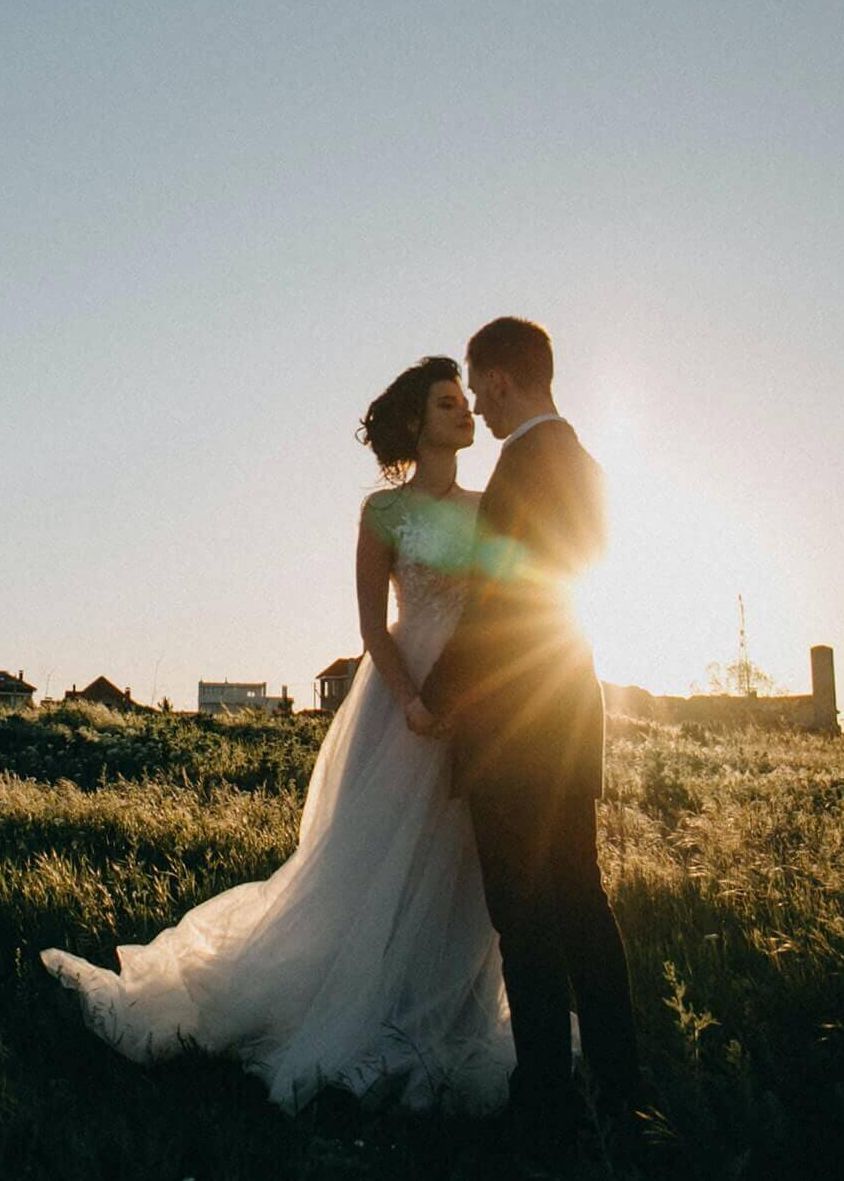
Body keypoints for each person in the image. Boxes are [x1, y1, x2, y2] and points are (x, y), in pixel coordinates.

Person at [41, 356, 515, 1116]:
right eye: (447, 401)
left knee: (461, 863)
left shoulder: (492, 505)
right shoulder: (383, 514)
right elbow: (371, 627)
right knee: (376, 869)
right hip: (403, 708)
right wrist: (411, 703)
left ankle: (443, 1012)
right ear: (416, 422)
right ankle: (359, 1007)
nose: (465, 411)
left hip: (477, 696)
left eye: (465, 400)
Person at [419, 318, 640, 1158]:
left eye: (478, 386)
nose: (477, 402)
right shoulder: (587, 465)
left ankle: (544, 1102)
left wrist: (438, 697)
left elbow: (500, 602)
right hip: (569, 712)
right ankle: (621, 1094)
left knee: (523, 918)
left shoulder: (519, 465)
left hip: (516, 727)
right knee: (582, 905)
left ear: (504, 381)